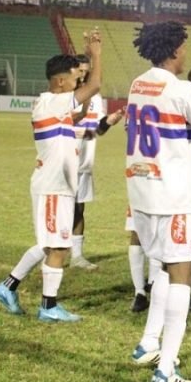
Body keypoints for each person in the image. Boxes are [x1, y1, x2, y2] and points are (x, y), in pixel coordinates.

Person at [126, 20, 191, 382]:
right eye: (183, 47)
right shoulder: (181, 90)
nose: (186, 52)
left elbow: (173, 111)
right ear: (173, 50)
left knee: (165, 269)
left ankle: (148, 343)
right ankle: (166, 370)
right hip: (173, 197)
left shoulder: (138, 84)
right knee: (182, 274)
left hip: (142, 192)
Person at [0, 31, 103, 322]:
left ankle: (8, 287)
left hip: (56, 184)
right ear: (60, 81)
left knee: (48, 244)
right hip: (53, 186)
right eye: (74, 78)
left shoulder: (53, 105)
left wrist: (84, 71)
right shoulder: (54, 101)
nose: (78, 82)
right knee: (59, 246)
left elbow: (80, 113)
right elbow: (95, 86)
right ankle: (48, 307)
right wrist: (95, 56)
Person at [70, 54, 124, 271]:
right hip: (64, 164)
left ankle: (77, 256)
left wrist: (109, 121)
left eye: (86, 71)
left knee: (79, 209)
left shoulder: (95, 98)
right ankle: (50, 254)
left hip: (84, 164)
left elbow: (98, 130)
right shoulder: (64, 96)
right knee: (61, 210)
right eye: (80, 71)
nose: (83, 76)